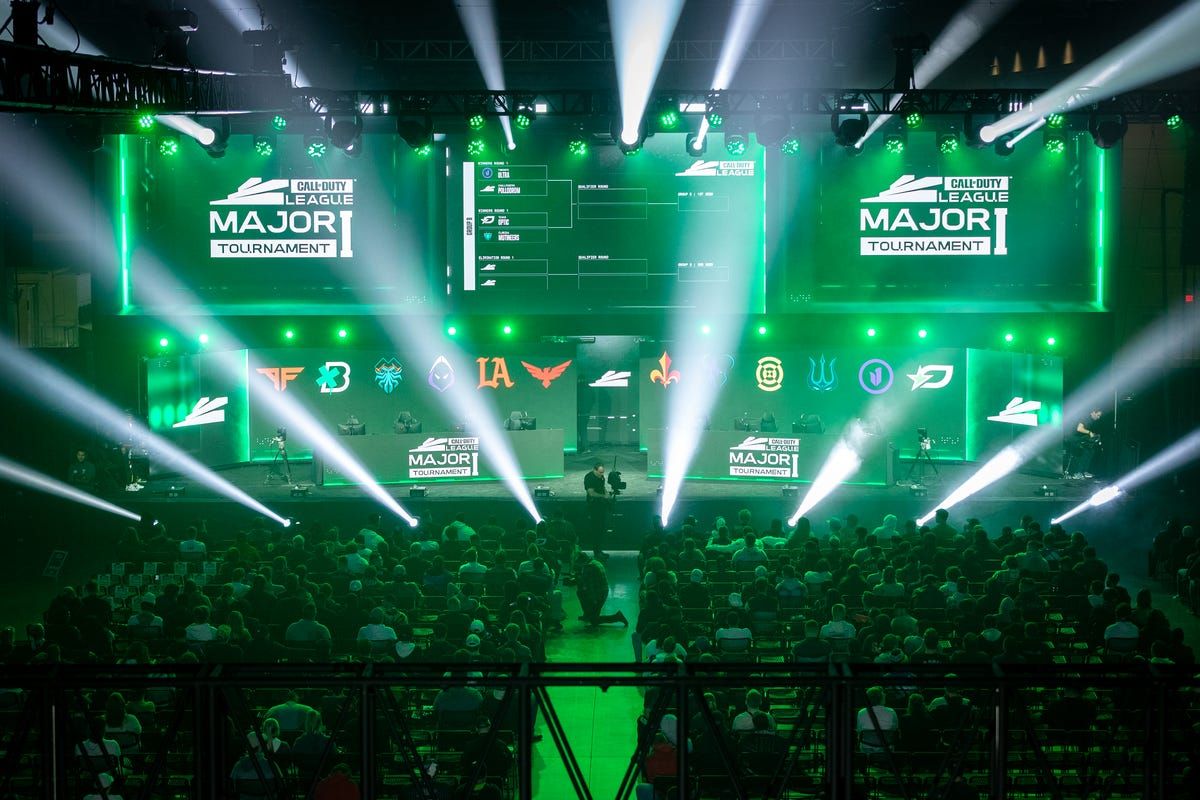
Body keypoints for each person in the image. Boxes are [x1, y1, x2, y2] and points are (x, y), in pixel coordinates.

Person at [576, 553, 628, 627]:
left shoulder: (588, 567)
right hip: (603, 591)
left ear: (582, 560)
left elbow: (590, 586)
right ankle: (588, 615)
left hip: (599, 594)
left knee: (593, 620)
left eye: (579, 563)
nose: (578, 565)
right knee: (582, 592)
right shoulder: (595, 562)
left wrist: (594, 599)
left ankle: (617, 617)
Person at [856, 686, 899, 753]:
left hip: (866, 749)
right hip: (886, 749)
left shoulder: (861, 712)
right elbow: (895, 730)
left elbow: (859, 731)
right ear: (881, 698)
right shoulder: (891, 712)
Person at [584, 461, 610, 560]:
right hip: (593, 507)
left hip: (601, 506)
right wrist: (603, 496)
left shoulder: (601, 477)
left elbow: (602, 487)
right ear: (594, 470)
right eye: (600, 472)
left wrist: (606, 493)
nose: (601, 474)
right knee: (596, 530)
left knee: (601, 529)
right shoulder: (589, 478)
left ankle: (599, 550)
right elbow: (591, 493)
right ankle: (596, 552)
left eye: (602, 472)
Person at [1069, 409, 1104, 478]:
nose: (1098, 417)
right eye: (1098, 415)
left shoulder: (1093, 421)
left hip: (1084, 440)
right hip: (1076, 440)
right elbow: (1079, 429)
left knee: (1091, 451)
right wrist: (1089, 432)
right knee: (1084, 452)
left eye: (1099, 416)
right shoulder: (1085, 418)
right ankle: (1077, 472)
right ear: (1093, 412)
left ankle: (1084, 471)